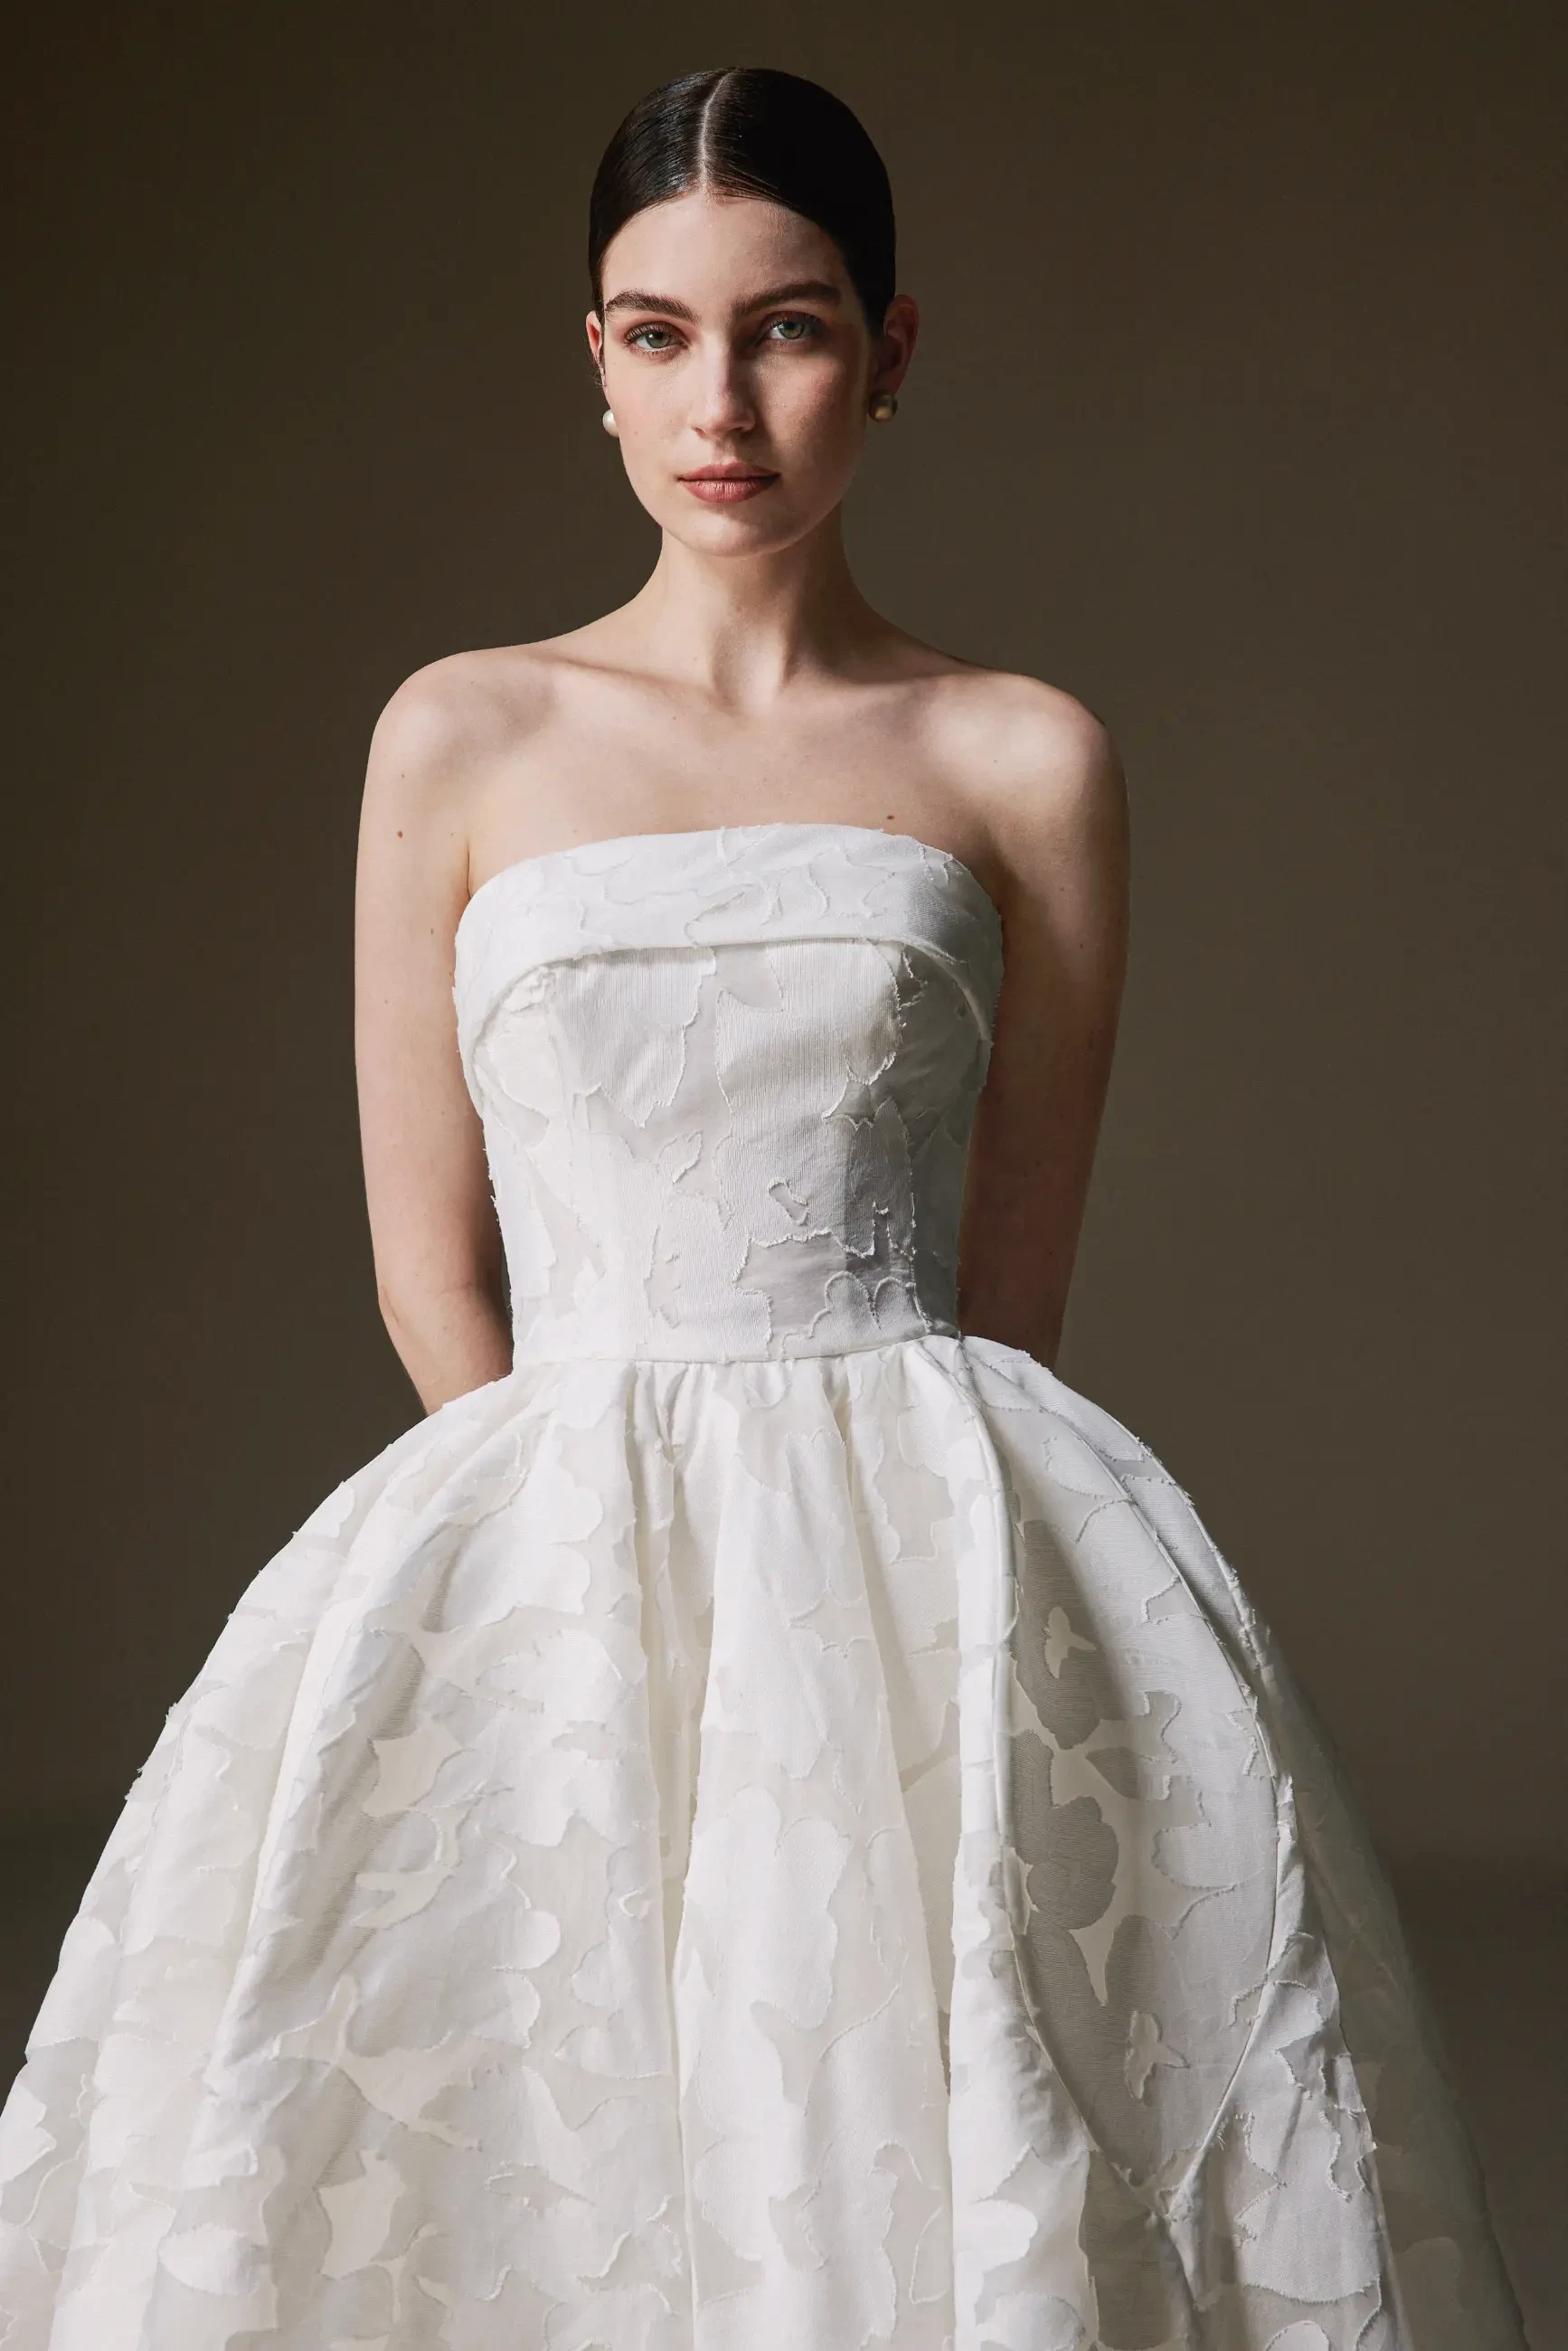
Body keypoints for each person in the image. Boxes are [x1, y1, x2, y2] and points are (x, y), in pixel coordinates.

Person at [0, 64, 1525, 2351]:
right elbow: (431, 1261)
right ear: (596, 361)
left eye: (786, 329)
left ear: (890, 352)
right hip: (541, 1527)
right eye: (658, 334)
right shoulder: (459, 737)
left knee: (915, 2137)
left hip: (914, 1544)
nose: (718, 403)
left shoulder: (1025, 759)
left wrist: (863, 1624)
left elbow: (1013, 1291)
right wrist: (563, 1601)